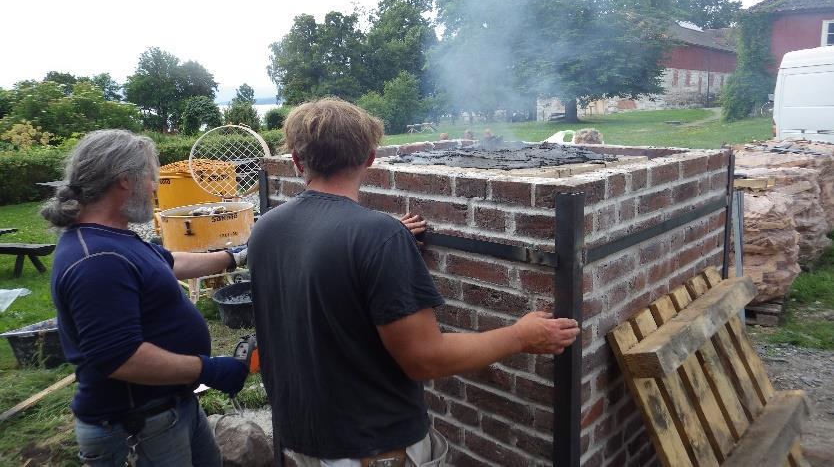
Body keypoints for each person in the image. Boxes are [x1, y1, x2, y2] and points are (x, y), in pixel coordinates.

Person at [248, 98, 580, 467]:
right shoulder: (378, 237)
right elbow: (425, 359)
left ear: (297, 160)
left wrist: (383, 238)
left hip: (302, 443)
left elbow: (322, 271)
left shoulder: (265, 229)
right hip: (371, 450)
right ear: (370, 158)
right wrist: (521, 336)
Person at [42, 129, 249, 467]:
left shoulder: (113, 236)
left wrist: (234, 257)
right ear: (124, 180)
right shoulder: (97, 261)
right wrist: (206, 369)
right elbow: (120, 357)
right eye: (151, 177)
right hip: (137, 427)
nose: (154, 187)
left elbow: (167, 263)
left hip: (170, 408)